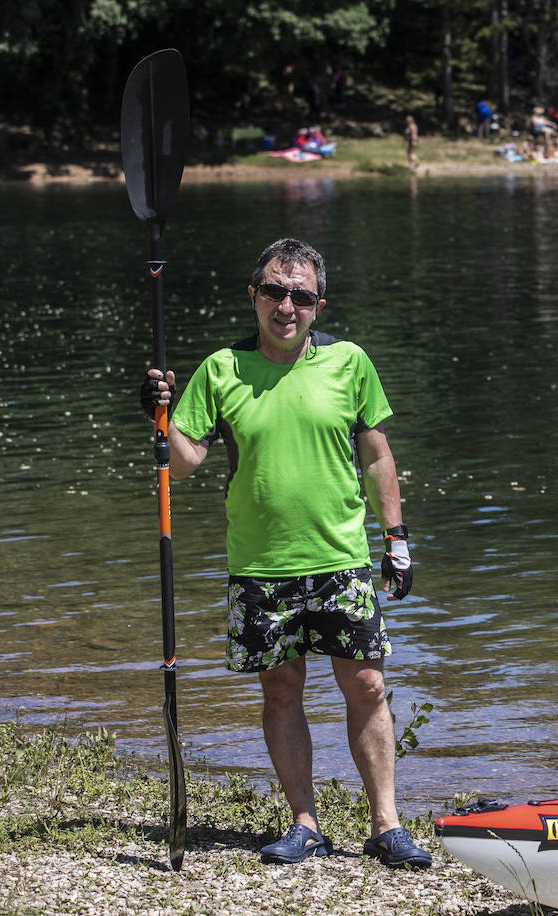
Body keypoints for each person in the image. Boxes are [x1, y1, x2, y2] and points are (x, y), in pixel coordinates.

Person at [138, 238, 430, 870]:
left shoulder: (350, 363)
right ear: (254, 295)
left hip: (341, 557)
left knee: (369, 687)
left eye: (300, 295)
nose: (286, 305)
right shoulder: (221, 370)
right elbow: (184, 465)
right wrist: (159, 419)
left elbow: (377, 456)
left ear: (317, 305)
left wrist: (397, 539)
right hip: (260, 564)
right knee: (280, 691)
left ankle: (387, 826)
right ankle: (305, 824)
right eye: (274, 290)